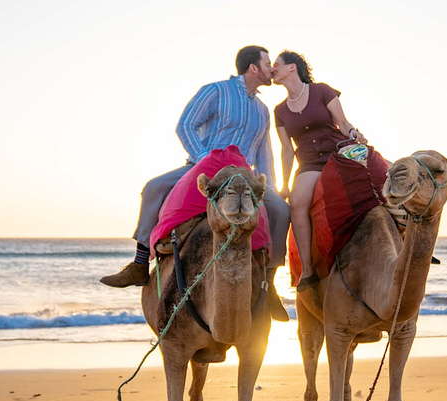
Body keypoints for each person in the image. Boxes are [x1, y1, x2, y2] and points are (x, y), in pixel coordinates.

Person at [100, 45, 291, 322]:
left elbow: (264, 152)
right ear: (253, 68)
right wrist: (205, 161)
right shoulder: (215, 91)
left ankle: (268, 283)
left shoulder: (263, 110)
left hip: (243, 176)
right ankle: (140, 263)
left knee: (282, 211)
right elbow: (186, 126)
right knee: (153, 187)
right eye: (267, 63)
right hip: (201, 167)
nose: (271, 68)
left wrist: (268, 187)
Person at [272, 51, 367, 292]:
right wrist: (285, 184)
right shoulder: (280, 111)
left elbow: (343, 124)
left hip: (337, 152)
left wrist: (354, 133)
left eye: (276, 65)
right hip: (309, 163)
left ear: (292, 67)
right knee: (296, 203)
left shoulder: (323, 91)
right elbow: (286, 149)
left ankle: (402, 237)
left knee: (379, 173)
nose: (272, 69)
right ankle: (307, 270)